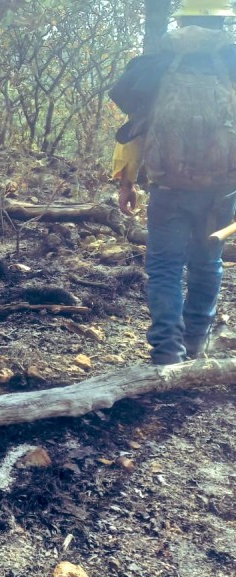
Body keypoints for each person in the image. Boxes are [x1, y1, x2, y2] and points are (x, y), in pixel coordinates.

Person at [112, 0, 236, 365]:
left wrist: (126, 181)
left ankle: (167, 351)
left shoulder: (155, 64)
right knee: (207, 262)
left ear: (181, 19)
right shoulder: (232, 60)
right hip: (221, 188)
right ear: (223, 22)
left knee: (165, 266)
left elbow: (135, 128)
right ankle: (197, 342)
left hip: (168, 186)